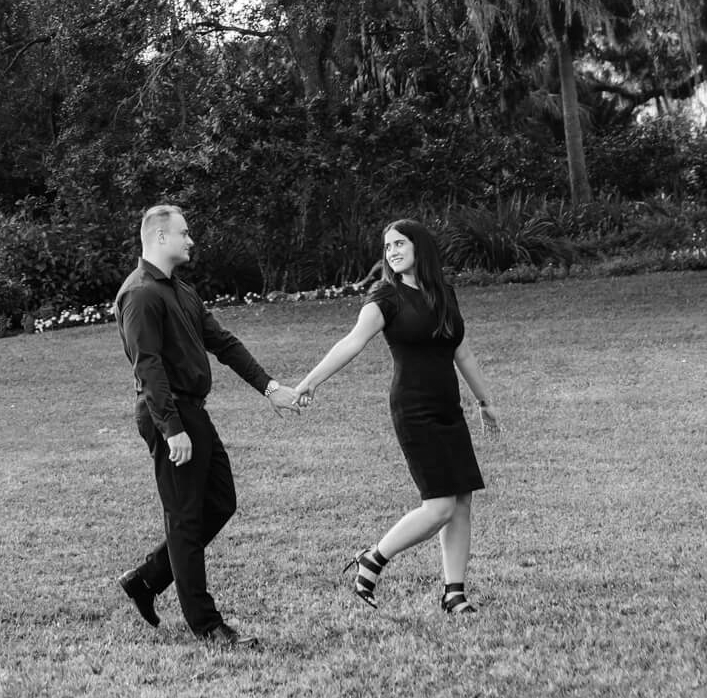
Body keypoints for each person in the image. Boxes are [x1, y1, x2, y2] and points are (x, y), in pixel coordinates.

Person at [114, 203, 301, 646]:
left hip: (193, 410)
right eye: (184, 232)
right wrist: (172, 428)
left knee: (220, 501)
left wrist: (270, 387)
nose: (190, 240)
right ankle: (208, 625)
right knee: (183, 519)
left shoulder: (181, 291)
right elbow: (149, 366)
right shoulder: (139, 294)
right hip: (171, 413)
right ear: (160, 238)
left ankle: (146, 579)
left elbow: (223, 342)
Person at [296, 218, 500, 616]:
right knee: (439, 505)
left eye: (400, 243)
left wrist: (485, 401)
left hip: (448, 408)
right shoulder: (385, 297)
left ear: (420, 248)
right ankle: (373, 558)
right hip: (414, 408)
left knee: (461, 501)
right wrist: (310, 381)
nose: (392, 251)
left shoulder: (444, 294)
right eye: (388, 246)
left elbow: (463, 353)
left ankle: (454, 592)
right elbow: (352, 342)